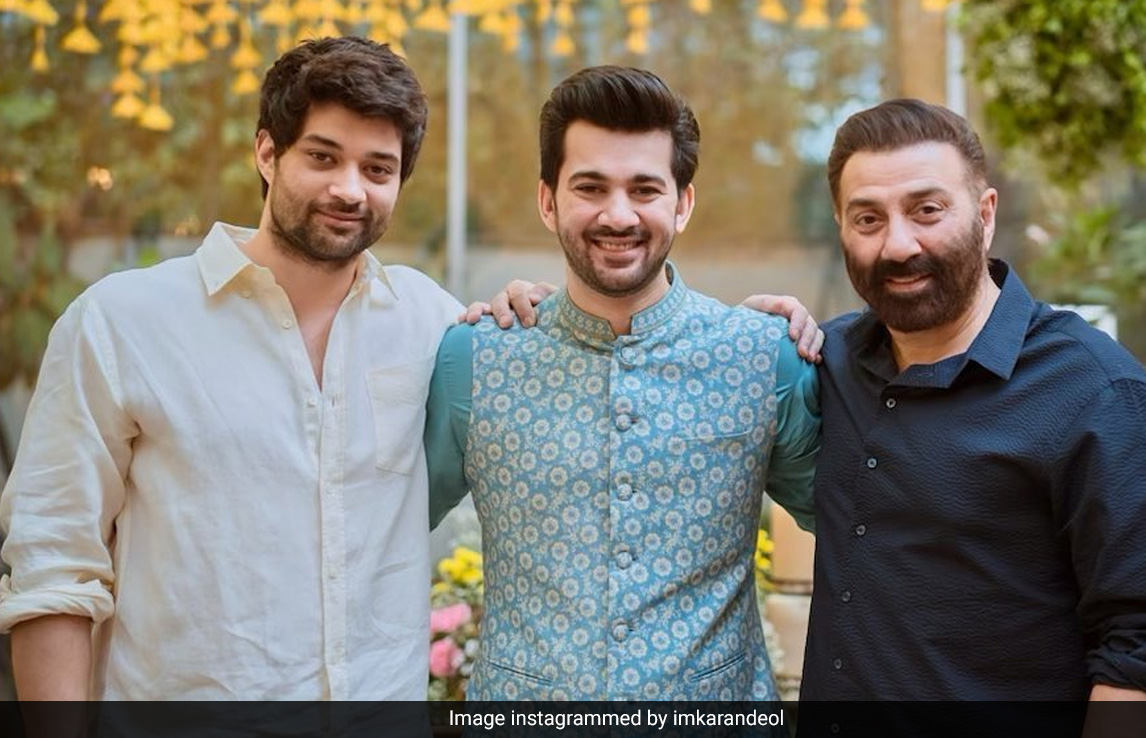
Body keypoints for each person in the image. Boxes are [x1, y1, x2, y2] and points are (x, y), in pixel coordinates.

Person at [0, 36, 462, 701]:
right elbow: (52, 565)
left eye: (377, 169)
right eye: (323, 157)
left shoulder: (433, 321)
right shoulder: (121, 323)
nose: (349, 189)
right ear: (267, 153)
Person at [791, 98, 1146, 735]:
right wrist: (746, 340)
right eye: (867, 218)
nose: (898, 245)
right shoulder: (829, 359)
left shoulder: (1097, 392)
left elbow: (1145, 645)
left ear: (984, 216)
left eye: (927, 210)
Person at [424, 65, 822, 701]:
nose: (618, 214)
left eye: (644, 189)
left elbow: (864, 528)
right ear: (548, 200)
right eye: (590, 187)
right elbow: (377, 527)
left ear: (682, 203)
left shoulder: (762, 356)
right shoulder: (473, 359)